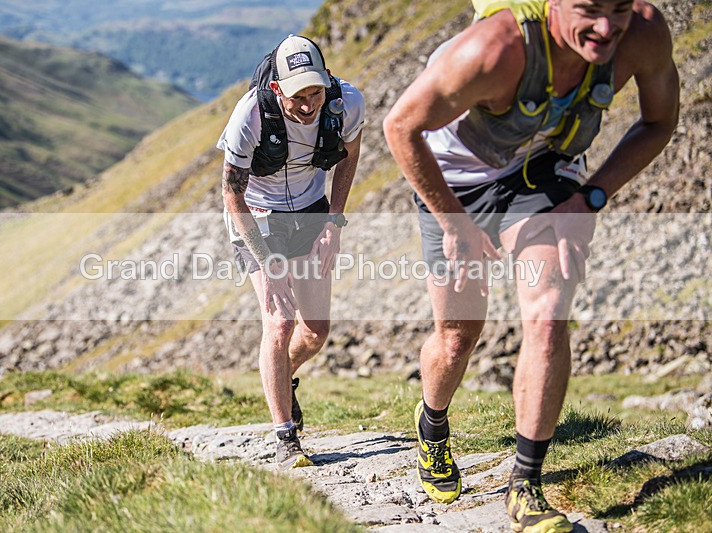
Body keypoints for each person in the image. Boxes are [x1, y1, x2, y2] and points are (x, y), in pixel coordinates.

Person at [383, 0, 678, 531]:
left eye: (618, 9)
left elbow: (659, 121)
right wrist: (455, 224)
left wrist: (589, 197)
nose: (606, 27)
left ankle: (525, 486)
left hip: (545, 168)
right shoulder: (494, 50)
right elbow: (401, 126)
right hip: (456, 182)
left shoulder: (644, 32)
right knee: (457, 337)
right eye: (589, 9)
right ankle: (433, 425)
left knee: (547, 312)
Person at [218, 34, 365, 470]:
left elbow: (349, 156)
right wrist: (268, 264)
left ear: (327, 80)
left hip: (311, 208)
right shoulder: (250, 114)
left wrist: (334, 222)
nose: (308, 105)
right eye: (297, 96)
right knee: (280, 321)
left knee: (315, 331)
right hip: (257, 212)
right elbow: (231, 194)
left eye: (315, 92)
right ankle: (286, 437)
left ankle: (284, 376)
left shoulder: (347, 103)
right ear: (276, 88)